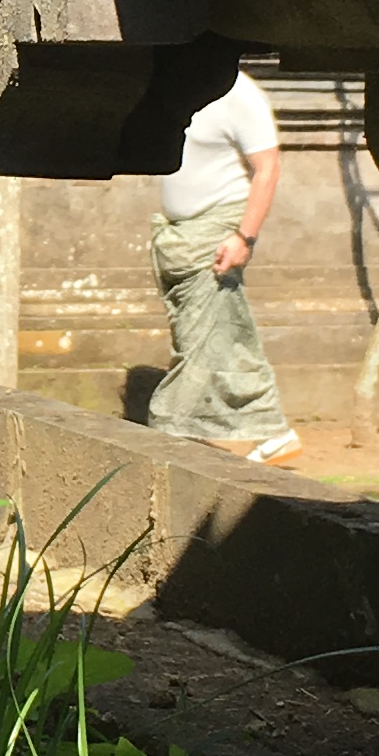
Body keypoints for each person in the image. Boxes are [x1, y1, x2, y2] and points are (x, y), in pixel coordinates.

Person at [146, 70, 299, 464]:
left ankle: (165, 432)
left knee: (203, 341)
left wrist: (244, 237)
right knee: (221, 334)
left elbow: (268, 168)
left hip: (218, 232)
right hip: (182, 237)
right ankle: (273, 430)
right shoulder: (178, 85)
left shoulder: (240, 93)